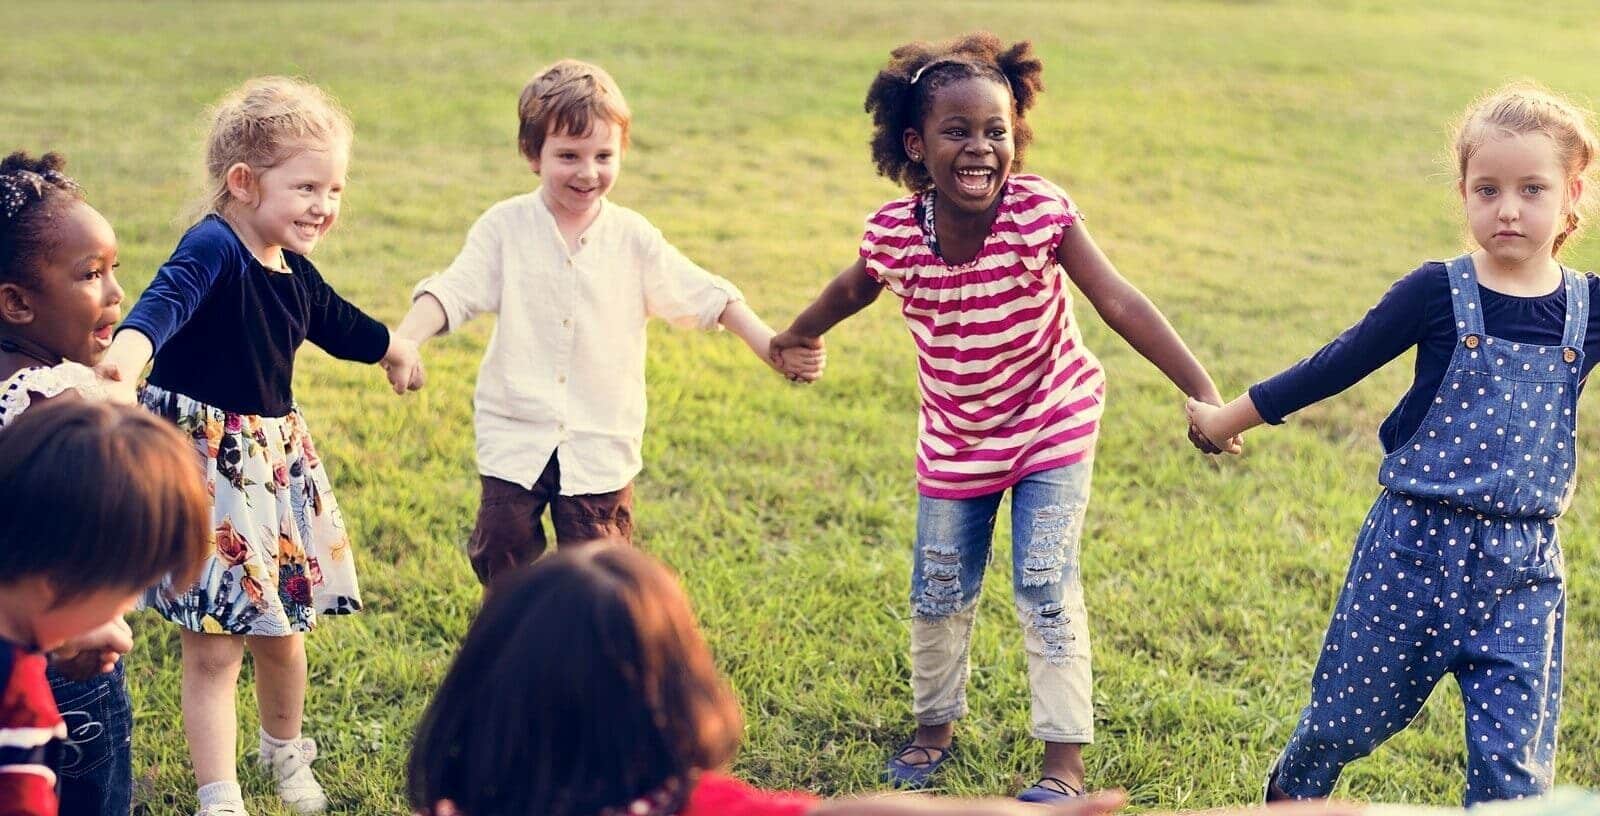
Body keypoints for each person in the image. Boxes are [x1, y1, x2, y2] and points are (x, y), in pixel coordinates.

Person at [769, 33, 1233, 801]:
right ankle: (932, 731)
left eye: (996, 131)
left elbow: (1117, 301)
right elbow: (849, 290)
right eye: (957, 132)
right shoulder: (894, 234)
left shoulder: (1039, 212)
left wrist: (1204, 391)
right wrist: (797, 333)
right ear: (916, 145)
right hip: (956, 440)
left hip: (1053, 418)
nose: (981, 148)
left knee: (1045, 581)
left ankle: (1063, 763)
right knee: (939, 587)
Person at [1186, 83, 1599, 804]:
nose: (1507, 208)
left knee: (1514, 772)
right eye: (1487, 188)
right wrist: (1228, 418)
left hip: (1522, 571)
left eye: (1533, 189)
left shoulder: (1589, 310)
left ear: (1573, 195)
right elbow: (1336, 362)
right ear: (1463, 193)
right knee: (1346, 721)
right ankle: (1293, 792)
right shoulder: (1436, 292)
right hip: (1412, 551)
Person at [96, 76, 423, 816]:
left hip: (270, 471)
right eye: (307, 186)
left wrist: (394, 348)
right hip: (203, 469)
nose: (325, 206)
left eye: (334, 189)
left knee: (281, 631)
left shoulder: (290, 269)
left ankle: (284, 751)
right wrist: (127, 355)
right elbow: (165, 299)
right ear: (243, 183)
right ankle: (220, 795)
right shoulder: (215, 244)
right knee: (212, 643)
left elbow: (337, 321)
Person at [386, 59, 822, 587]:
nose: (587, 172)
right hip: (516, 429)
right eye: (568, 155)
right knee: (501, 550)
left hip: (599, 437)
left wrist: (767, 342)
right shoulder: (506, 227)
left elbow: (706, 295)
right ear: (532, 154)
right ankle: (511, 639)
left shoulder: (633, 239)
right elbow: (453, 290)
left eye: (603, 156)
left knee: (600, 569)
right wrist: (407, 338)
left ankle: (592, 654)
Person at [0, 149, 141, 815]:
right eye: (91, 274)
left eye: (113, 269)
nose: (115, 292)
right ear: (17, 303)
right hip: (76, 660)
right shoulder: (60, 403)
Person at [0, 401, 211, 816]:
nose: (129, 607)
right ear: (58, 582)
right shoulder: (18, 706)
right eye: (128, 589)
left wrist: (58, 638)